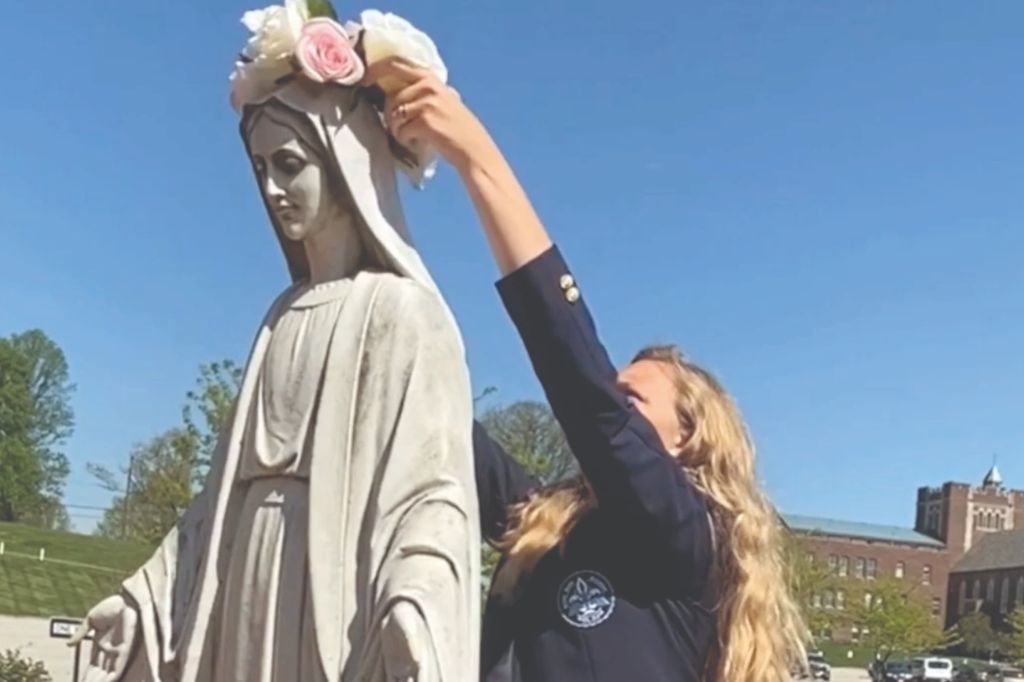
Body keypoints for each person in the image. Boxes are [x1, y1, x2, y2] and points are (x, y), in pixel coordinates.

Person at [365, 58, 810, 682]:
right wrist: (361, 236)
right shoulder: (546, 523)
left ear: (688, 441)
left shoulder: (687, 535)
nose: (612, 402)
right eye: (616, 394)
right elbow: (434, 411)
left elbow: (576, 377)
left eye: (634, 402)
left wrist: (474, 153)